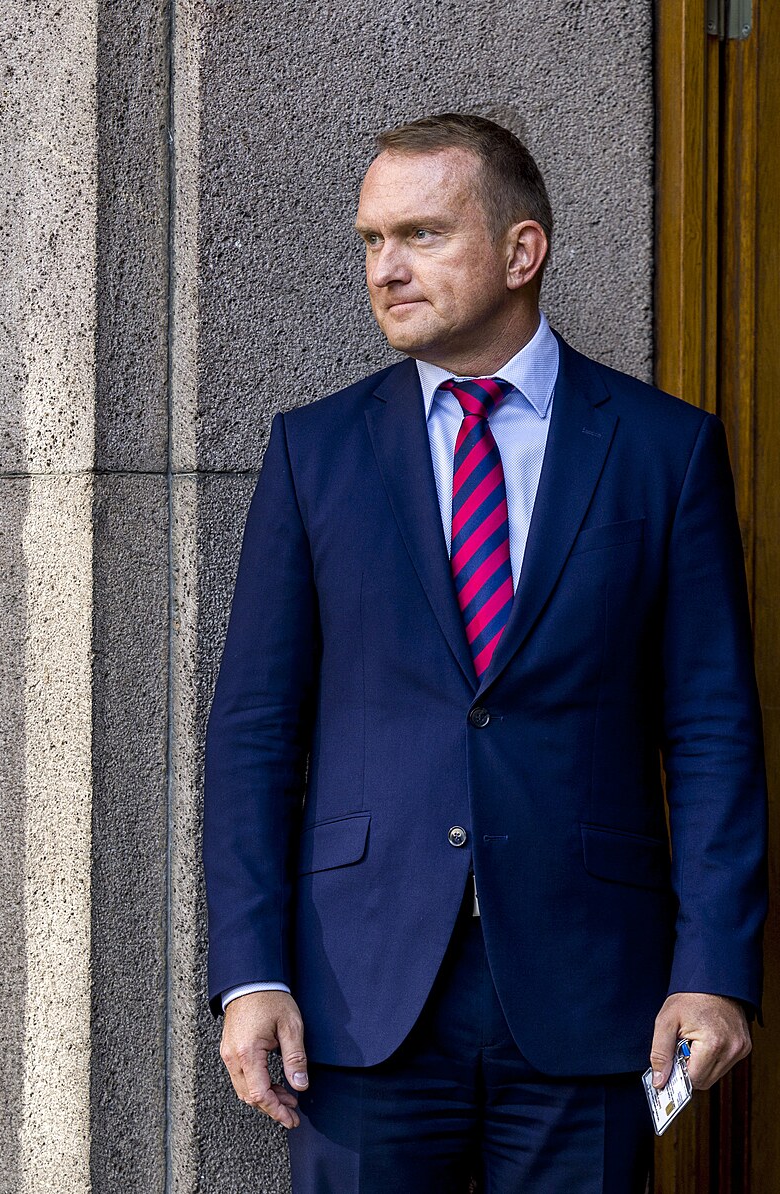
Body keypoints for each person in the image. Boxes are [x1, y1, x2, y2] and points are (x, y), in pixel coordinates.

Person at [202, 112, 767, 1191]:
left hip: (591, 989)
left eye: (421, 234)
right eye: (372, 240)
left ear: (521, 252)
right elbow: (254, 734)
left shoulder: (664, 448)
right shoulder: (315, 451)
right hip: (357, 997)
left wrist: (713, 969)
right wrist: (249, 972)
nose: (387, 268)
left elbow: (710, 730)